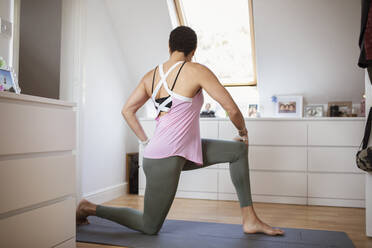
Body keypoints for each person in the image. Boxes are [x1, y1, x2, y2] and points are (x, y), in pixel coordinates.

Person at [76, 26, 284, 236]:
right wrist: (243, 131)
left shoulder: (151, 76)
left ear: (169, 46)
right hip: (164, 159)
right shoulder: (197, 70)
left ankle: (250, 219)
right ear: (193, 51)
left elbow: (127, 110)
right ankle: (88, 208)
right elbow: (232, 109)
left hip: (181, 150)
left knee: (237, 152)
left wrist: (146, 142)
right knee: (149, 226)